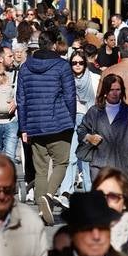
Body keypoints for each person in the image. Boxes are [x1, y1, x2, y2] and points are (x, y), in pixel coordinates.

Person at [16, 30, 76, 217]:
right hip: (59, 122)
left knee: (40, 169)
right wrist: (71, 120)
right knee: (61, 162)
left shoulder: (25, 67)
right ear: (54, 44)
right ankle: (49, 196)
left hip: (34, 124)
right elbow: (70, 96)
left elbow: (21, 100)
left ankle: (42, 211)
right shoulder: (62, 66)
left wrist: (23, 127)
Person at [76, 73, 128, 183]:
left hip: (122, 165)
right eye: (111, 90)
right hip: (99, 165)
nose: (114, 93)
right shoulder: (95, 111)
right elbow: (81, 129)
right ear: (105, 92)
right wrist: (89, 137)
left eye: (118, 89)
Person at [53, 49, 100, 208]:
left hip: (89, 120)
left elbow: (98, 101)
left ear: (85, 63)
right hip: (70, 119)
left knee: (87, 159)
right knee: (71, 157)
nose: (78, 65)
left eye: (81, 62)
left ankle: (89, 194)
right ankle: (66, 193)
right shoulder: (65, 79)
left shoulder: (94, 78)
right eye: (74, 63)